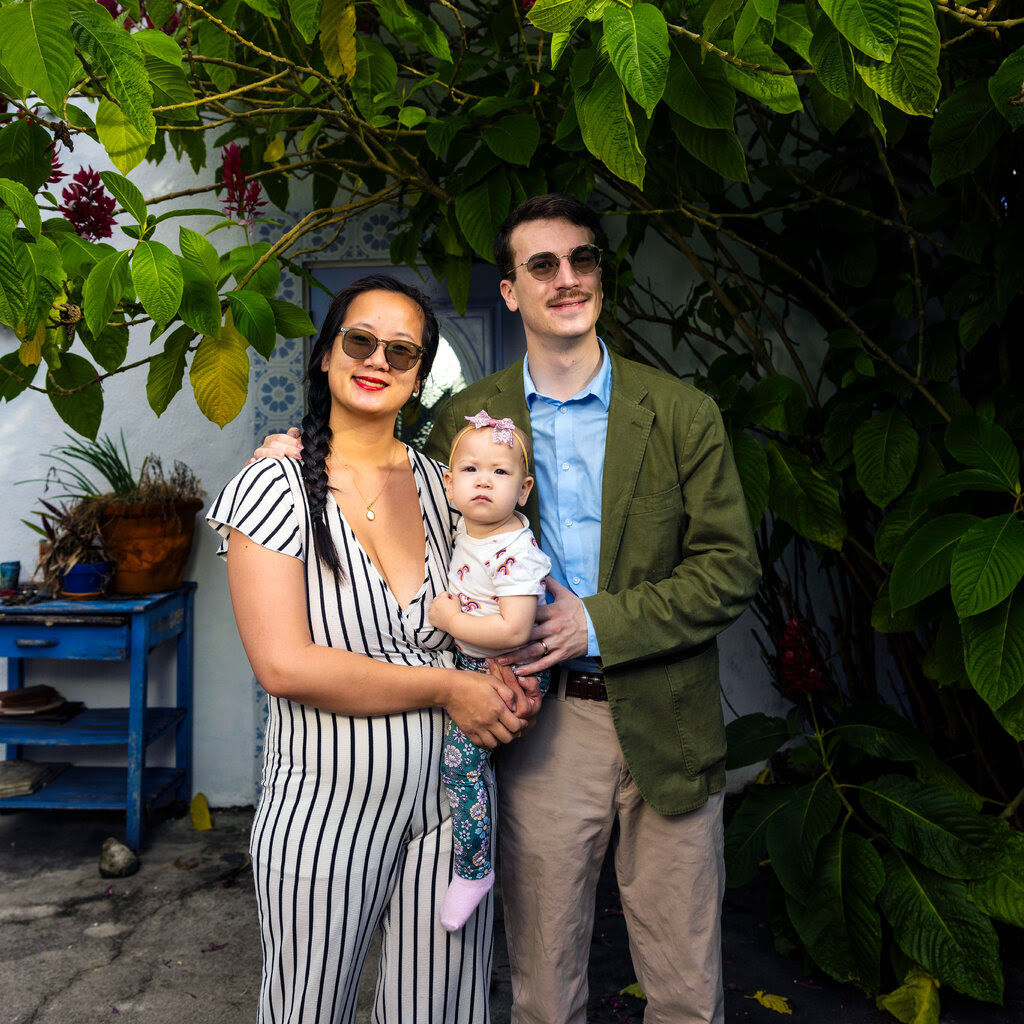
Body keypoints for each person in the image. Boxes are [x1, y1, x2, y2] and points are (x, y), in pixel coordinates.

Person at [255, 194, 762, 1024]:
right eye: (543, 265)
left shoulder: (680, 412)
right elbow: (380, 459)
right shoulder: (468, 416)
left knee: (684, 990)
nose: (568, 279)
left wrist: (592, 623)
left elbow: (730, 568)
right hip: (542, 728)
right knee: (542, 986)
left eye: (583, 260)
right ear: (510, 292)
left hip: (668, 719)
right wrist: (293, 450)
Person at [208, 274, 538, 1024]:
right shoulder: (275, 486)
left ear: (420, 375)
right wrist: (449, 690)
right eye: (360, 341)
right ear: (326, 354)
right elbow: (283, 665)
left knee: (442, 1011)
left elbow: (485, 610)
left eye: (402, 350)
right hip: (327, 806)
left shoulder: (444, 486)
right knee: (308, 1010)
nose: (378, 360)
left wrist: (500, 680)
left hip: (452, 802)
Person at [428, 411, 552, 933]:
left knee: (460, 767)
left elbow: (515, 630)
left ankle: (474, 869)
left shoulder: (514, 553)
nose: (484, 480)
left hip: (507, 667)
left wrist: (448, 617)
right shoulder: (468, 525)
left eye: (500, 473)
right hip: (474, 659)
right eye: (471, 470)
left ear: (522, 490)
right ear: (449, 485)